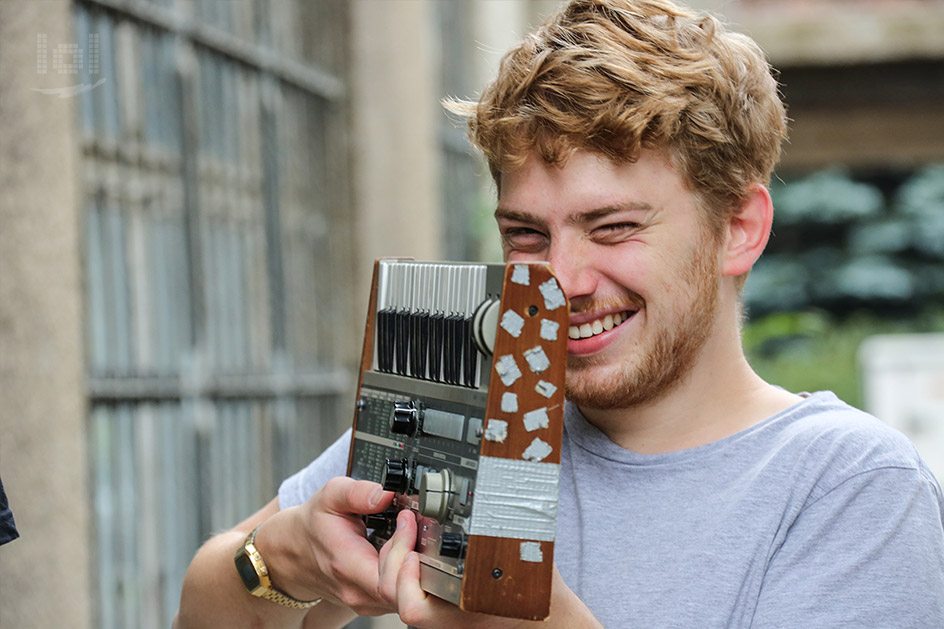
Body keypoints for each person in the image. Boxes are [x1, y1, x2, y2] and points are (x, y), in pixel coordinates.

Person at [175, 0, 944, 627]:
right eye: (527, 234)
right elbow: (204, 608)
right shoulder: (474, 410)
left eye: (613, 227)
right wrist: (280, 563)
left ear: (739, 228)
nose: (562, 281)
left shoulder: (851, 485)